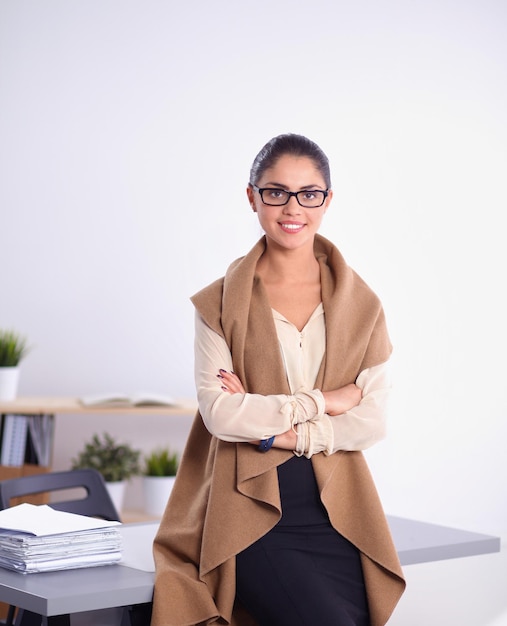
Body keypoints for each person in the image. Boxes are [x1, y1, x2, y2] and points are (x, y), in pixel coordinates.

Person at [151, 133, 405, 626]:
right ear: (252, 197)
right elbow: (222, 414)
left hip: (339, 512)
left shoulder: (362, 305)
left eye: (309, 193)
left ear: (327, 200)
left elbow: (372, 421)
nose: (293, 207)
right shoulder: (218, 303)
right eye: (276, 192)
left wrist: (278, 428)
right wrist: (324, 401)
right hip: (252, 510)